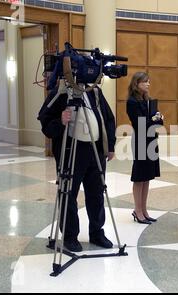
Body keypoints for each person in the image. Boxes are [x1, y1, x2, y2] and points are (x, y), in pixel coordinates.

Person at [38, 83, 116, 252]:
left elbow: (109, 118)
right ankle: (70, 236)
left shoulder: (94, 91)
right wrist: (60, 120)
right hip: (71, 149)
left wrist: (110, 145)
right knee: (68, 194)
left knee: (96, 193)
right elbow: (45, 121)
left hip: (96, 149)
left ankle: (97, 232)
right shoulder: (60, 92)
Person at [126, 72, 163, 224]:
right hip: (141, 139)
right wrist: (154, 120)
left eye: (149, 81)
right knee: (140, 176)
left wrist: (158, 119)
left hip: (151, 139)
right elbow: (139, 124)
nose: (148, 84)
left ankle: (144, 209)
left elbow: (154, 123)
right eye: (145, 82)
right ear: (137, 83)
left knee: (147, 176)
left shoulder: (147, 100)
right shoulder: (132, 102)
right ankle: (137, 210)